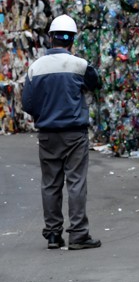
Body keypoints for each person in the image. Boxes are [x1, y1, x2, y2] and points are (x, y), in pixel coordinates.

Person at [22, 14, 102, 250]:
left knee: (50, 184)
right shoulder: (80, 65)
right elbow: (95, 84)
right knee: (76, 183)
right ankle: (78, 234)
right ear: (72, 40)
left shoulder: (35, 68)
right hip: (75, 134)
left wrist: (44, 113)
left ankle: (54, 235)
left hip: (47, 134)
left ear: (50, 38)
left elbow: (27, 103)